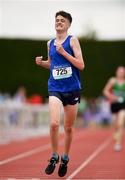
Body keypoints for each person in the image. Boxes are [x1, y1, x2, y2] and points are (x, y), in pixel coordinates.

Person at [35, 11, 85, 177]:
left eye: (62, 20)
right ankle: (54, 156)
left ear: (68, 24)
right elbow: (53, 65)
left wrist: (64, 52)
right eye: (56, 20)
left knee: (68, 128)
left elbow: (81, 65)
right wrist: (42, 63)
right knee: (54, 124)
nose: (58, 22)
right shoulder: (50, 43)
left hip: (72, 89)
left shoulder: (73, 40)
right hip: (55, 87)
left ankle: (65, 158)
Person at [103, 66, 125, 151]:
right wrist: (112, 97)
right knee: (115, 124)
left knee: (120, 122)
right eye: (120, 71)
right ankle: (116, 133)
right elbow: (105, 91)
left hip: (123, 105)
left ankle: (118, 143)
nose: (121, 73)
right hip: (114, 105)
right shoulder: (113, 80)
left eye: (122, 72)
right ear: (116, 72)